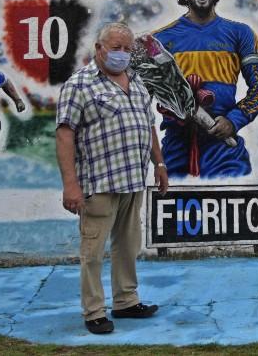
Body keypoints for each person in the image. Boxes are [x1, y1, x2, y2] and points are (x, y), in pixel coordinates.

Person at [56, 22, 169, 335]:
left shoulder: (137, 82)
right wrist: (70, 185)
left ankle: (126, 301)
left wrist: (158, 164)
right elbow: (65, 135)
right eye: (115, 48)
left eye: (127, 49)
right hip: (98, 184)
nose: (121, 54)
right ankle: (93, 311)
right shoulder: (79, 85)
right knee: (93, 252)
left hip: (133, 178)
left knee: (128, 245)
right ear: (98, 49)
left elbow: (147, 126)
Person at [152, 0, 258, 178]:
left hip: (224, 149)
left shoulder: (241, 33)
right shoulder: (160, 40)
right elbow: (140, 96)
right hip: (176, 146)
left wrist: (234, 120)